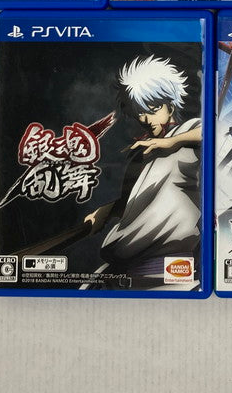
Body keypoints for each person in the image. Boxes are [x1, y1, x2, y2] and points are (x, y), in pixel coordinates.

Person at [81, 55, 202, 289]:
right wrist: (107, 211)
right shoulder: (143, 150)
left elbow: (210, 132)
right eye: (139, 112)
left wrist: (172, 141)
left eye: (152, 108)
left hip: (171, 270)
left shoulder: (188, 132)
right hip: (124, 268)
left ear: (170, 104)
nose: (145, 118)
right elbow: (140, 198)